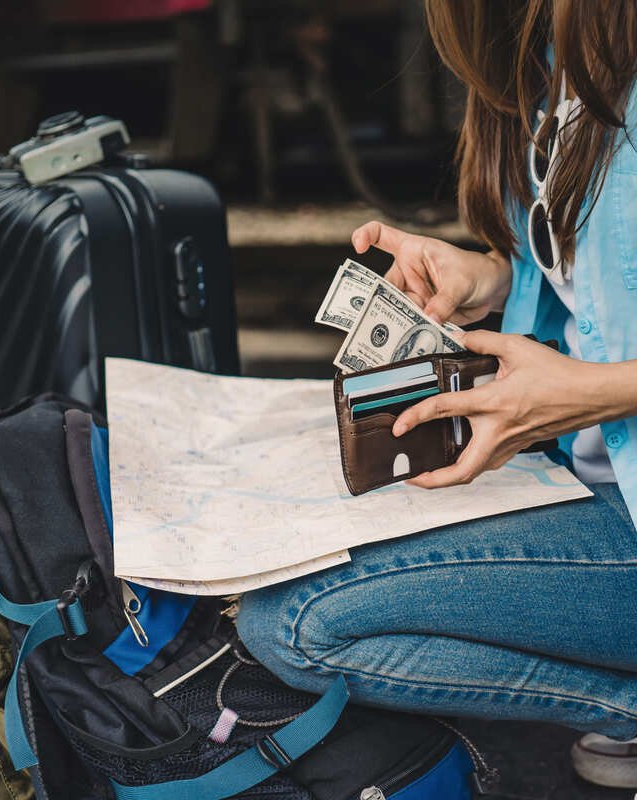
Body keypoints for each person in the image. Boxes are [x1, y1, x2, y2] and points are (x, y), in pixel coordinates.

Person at [237, 0, 637, 790]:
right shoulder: (557, 55)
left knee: (294, 623)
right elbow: (596, 283)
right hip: (595, 484)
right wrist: (494, 276)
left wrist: (595, 394)